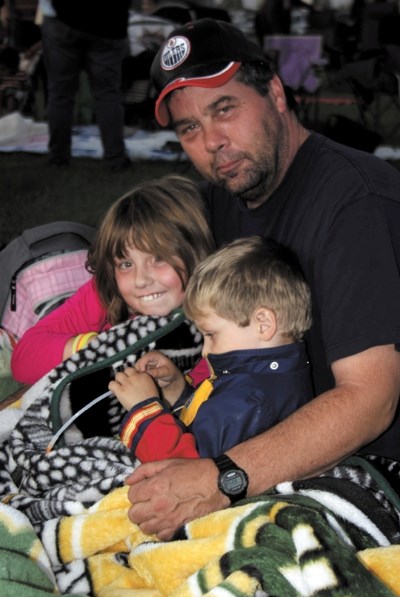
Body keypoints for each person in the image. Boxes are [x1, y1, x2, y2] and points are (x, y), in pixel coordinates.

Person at [124, 18, 400, 541]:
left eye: (224, 109)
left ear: (274, 93)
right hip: (256, 427)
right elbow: (144, 259)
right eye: (188, 129)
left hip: (371, 468)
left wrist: (221, 478)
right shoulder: (227, 194)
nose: (212, 142)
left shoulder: (355, 203)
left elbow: (371, 400)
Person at [110, 236, 313, 462]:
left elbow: (187, 473)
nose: (205, 351)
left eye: (211, 335)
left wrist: (144, 412)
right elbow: (204, 428)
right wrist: (177, 390)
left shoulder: (247, 401)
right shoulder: (263, 378)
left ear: (263, 324)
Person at [11, 175, 215, 385]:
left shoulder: (223, 328)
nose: (140, 280)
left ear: (197, 252)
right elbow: (23, 360)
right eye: (126, 264)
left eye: (158, 259)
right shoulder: (106, 293)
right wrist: (102, 347)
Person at [39, 0, 131, 169]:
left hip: (64, 19)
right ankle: (115, 158)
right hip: (110, 24)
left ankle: (58, 158)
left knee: (61, 94)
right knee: (107, 94)